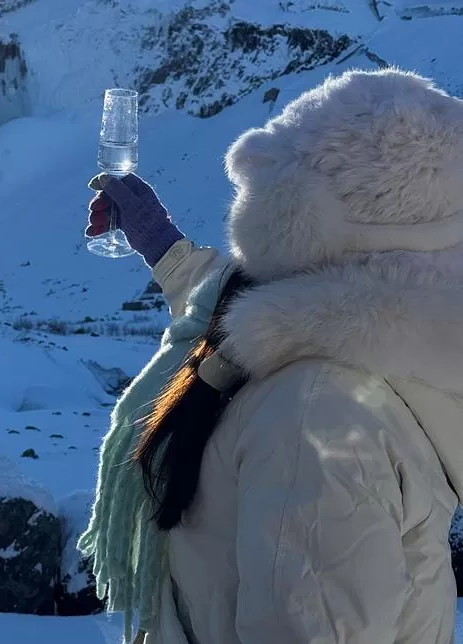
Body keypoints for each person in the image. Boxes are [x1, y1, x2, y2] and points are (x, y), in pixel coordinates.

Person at [81, 68, 463, 644]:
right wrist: (163, 247)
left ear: (295, 218)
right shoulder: (375, 353)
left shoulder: (314, 415)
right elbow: (250, 314)